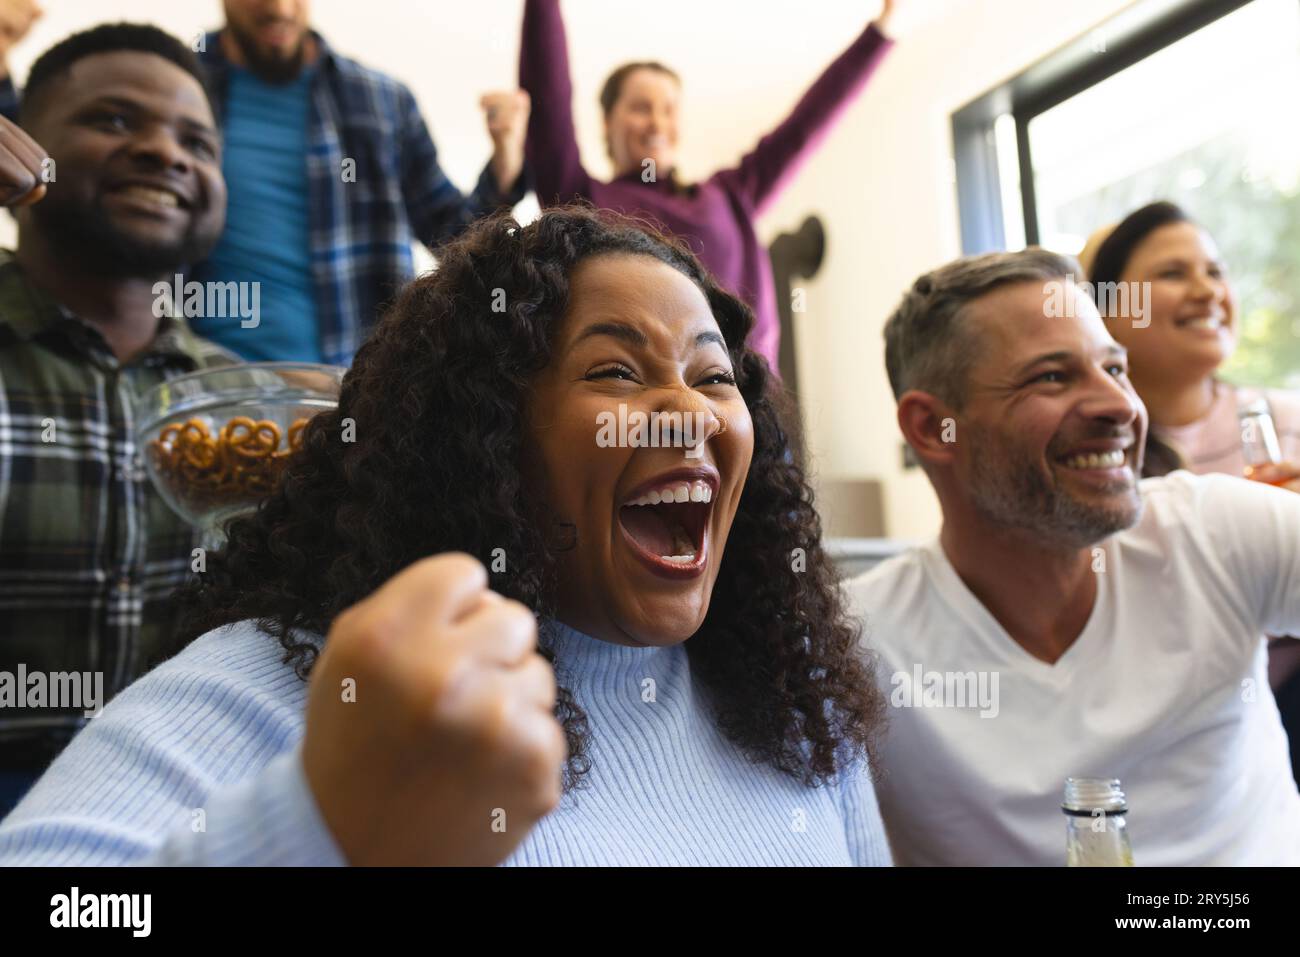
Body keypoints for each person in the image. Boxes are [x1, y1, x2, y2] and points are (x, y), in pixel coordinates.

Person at [0, 206, 891, 866]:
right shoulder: (308, 687)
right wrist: (319, 822)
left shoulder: (792, 706)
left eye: (713, 376)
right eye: (615, 370)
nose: (686, 413)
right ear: (487, 433)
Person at [848, 248, 1300, 865]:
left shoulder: (1215, 529)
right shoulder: (856, 646)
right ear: (931, 428)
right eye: (1052, 377)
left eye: (1115, 369)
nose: (1121, 407)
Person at [0, 0, 532, 365]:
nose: (277, 7)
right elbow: (42, 171)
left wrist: (506, 160)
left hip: (350, 398)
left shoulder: (381, 101)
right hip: (195, 390)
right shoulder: (176, 88)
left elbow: (456, 234)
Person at [0, 24, 234, 815]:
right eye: (113, 121)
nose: (167, 153)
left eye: (198, 143)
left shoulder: (241, 404)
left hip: (174, 802)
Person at [518, 0, 898, 369]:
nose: (657, 123)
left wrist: (880, 33)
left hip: (746, 410)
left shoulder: (732, 194)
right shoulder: (579, 198)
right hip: (637, 413)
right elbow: (548, 102)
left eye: (669, 110)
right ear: (607, 122)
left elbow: (805, 127)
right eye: (640, 107)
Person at [1081, 200, 1300, 783]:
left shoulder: (1287, 421)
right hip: (1173, 716)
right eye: (1174, 274)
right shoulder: (1091, 455)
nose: (1207, 290)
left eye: (1216, 271)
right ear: (1108, 311)